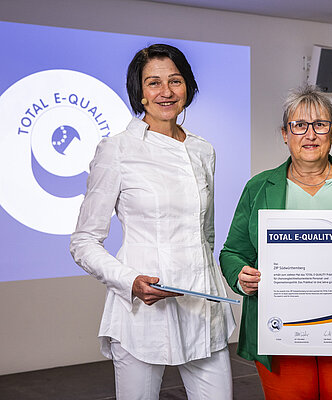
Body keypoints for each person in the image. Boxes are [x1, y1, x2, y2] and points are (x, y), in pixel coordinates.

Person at [70, 44, 235, 400]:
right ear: (139, 93)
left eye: (175, 81)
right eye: (153, 83)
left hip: (202, 305)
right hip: (142, 309)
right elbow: (83, 241)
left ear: (187, 87)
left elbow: (206, 234)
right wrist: (130, 282)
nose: (166, 92)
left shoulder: (203, 150)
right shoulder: (117, 150)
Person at [219, 85, 332, 399]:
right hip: (282, 335)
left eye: (321, 125)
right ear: (284, 133)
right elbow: (233, 252)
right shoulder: (259, 187)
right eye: (299, 125)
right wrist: (240, 275)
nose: (310, 134)